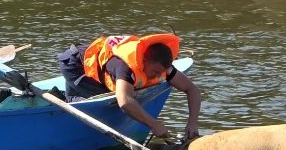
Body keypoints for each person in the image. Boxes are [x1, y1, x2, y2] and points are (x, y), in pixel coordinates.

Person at [57, 34, 201, 139]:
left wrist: (192, 123)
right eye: (155, 72)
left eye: (161, 73)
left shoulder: (163, 68)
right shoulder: (125, 66)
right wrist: (153, 124)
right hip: (75, 66)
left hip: (100, 67)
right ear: (144, 61)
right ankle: (61, 98)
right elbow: (125, 102)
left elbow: (192, 89)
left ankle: (68, 95)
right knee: (107, 101)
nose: (157, 76)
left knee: (125, 92)